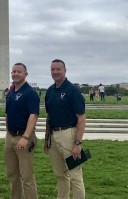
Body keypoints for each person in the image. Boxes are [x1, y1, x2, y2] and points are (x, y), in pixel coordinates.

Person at [44, 59, 86, 199]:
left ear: (65, 70)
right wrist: (46, 139)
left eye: (58, 69)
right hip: (53, 136)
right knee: (60, 175)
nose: (55, 72)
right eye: (52, 70)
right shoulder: (50, 91)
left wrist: (77, 143)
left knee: (75, 176)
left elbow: (81, 118)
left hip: (69, 135)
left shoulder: (72, 91)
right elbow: (49, 116)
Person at [4, 63, 40, 199]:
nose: (15, 74)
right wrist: (8, 133)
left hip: (24, 138)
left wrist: (25, 137)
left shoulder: (30, 93)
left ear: (26, 74)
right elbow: (7, 114)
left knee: (27, 176)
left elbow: (33, 116)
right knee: (12, 175)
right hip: (10, 137)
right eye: (13, 71)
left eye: (19, 71)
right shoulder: (11, 93)